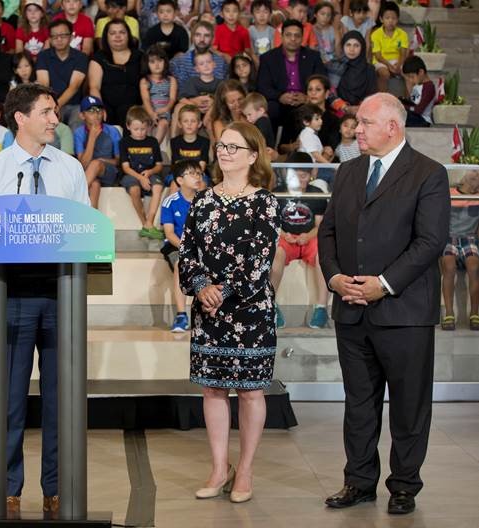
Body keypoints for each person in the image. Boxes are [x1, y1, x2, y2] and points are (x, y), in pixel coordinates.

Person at [318, 93, 451, 515]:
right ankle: (358, 481)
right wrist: (336, 277)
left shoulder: (429, 174)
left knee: (409, 404)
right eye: (358, 122)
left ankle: (405, 485)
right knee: (359, 402)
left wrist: (384, 284)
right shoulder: (348, 172)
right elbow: (328, 233)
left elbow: (430, 241)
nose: (357, 129)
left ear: (392, 127)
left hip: (404, 311)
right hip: (352, 310)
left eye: (365, 122)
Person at [0, 83, 89, 517]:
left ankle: (57, 487)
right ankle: (7, 488)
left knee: (62, 401)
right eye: (46, 112)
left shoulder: (70, 169)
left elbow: (85, 232)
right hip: (9, 294)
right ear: (20, 118)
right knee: (9, 400)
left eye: (55, 111)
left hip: (63, 296)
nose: (55, 119)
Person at [179, 121, 279, 505]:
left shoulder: (265, 202)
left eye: (233, 147)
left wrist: (224, 291)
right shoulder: (202, 200)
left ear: (253, 156)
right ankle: (220, 467)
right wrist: (202, 286)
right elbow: (187, 252)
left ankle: (247, 469)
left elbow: (260, 260)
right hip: (209, 310)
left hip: (251, 310)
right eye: (221, 146)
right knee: (213, 389)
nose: (224, 152)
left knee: (252, 392)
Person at [270, 152, 330, 328]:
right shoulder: (277, 193)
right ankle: (270, 305)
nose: (299, 179)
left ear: (311, 175)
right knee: (276, 254)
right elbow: (272, 224)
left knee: (323, 254)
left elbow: (320, 226)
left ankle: (321, 307)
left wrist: (308, 236)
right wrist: (284, 235)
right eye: (295, 175)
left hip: (308, 238)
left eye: (303, 175)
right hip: (286, 237)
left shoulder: (316, 193)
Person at [257, 19, 327, 146]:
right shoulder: (268, 58)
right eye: (288, 35)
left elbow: (322, 81)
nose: (293, 39)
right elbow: (262, 86)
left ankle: (306, 152)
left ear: (302, 38)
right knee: (270, 110)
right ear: (282, 36)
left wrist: (307, 97)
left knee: (310, 111)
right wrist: (280, 96)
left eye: (297, 35)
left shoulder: (313, 57)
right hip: (278, 102)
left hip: (304, 101)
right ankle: (270, 151)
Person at [161, 159, 203, 332]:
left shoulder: (206, 201)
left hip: (200, 246)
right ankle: (181, 316)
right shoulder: (170, 202)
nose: (197, 177)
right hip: (176, 245)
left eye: (199, 173)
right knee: (181, 264)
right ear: (179, 180)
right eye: (192, 173)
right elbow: (169, 234)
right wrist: (187, 249)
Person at [440, 170, 479, 331]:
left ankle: (475, 313)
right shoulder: (450, 194)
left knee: (474, 268)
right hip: (450, 238)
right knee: (449, 267)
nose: (476, 178)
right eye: (474, 176)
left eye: (477, 178)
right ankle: (449, 313)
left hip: (469, 239)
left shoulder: (477, 197)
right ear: (464, 179)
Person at [88, 18, 144, 127]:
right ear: (106, 37)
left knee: (129, 114)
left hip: (134, 108)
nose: (118, 36)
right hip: (107, 106)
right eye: (113, 33)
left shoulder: (140, 56)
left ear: (128, 35)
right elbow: (94, 87)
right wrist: (100, 109)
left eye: (122, 32)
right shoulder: (98, 57)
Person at [120, 106, 165, 239]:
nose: (140, 132)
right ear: (128, 126)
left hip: (149, 173)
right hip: (132, 175)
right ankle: (145, 224)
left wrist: (150, 173)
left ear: (149, 127)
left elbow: (159, 165)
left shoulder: (152, 142)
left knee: (158, 186)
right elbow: (125, 167)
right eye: (136, 129)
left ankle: (149, 222)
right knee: (134, 190)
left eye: (143, 129)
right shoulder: (125, 142)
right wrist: (141, 178)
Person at [35, 19, 89, 130]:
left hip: (75, 105)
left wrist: (56, 106)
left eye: (63, 35)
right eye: (55, 36)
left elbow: (74, 86)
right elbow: (44, 84)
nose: (59, 39)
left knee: (77, 126)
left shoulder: (81, 57)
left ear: (71, 37)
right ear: (49, 39)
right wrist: (50, 107)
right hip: (49, 103)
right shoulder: (43, 56)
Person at [75, 95, 122, 208]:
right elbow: (82, 164)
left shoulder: (112, 131)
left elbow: (119, 161)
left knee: (95, 164)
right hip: (89, 174)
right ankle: (94, 222)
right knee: (94, 185)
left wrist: (101, 160)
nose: (96, 114)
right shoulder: (79, 133)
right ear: (82, 115)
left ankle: (74, 197)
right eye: (91, 111)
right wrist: (92, 137)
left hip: (109, 172)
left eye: (99, 110)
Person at [170, 21, 228, 89]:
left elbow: (223, 90)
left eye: (206, 35)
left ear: (213, 39)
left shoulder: (221, 62)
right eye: (198, 35)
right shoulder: (180, 61)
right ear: (192, 37)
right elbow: (180, 91)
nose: (202, 39)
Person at [140, 44, 177, 145]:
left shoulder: (171, 80)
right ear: (147, 64)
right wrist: (152, 113)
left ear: (165, 62)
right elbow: (146, 100)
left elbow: (172, 99)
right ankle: (143, 146)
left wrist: (165, 109)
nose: (157, 65)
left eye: (160, 61)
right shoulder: (145, 81)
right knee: (144, 123)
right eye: (152, 62)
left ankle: (153, 147)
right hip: (149, 109)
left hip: (164, 109)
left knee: (163, 123)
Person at [332, 31, 376, 117]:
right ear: (343, 47)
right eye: (348, 45)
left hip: (363, 112)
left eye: (356, 45)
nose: (351, 49)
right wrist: (345, 107)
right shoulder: (335, 67)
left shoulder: (369, 69)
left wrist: (360, 108)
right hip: (339, 112)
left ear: (362, 48)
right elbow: (330, 94)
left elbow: (371, 94)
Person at [370, 2, 408, 93]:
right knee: (384, 74)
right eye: (387, 18)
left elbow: (403, 53)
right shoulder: (376, 34)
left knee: (408, 73)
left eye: (393, 18)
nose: (390, 21)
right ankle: (384, 98)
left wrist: (398, 65)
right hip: (381, 61)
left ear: (397, 19)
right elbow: (378, 56)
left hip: (397, 60)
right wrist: (389, 66)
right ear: (381, 19)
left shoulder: (402, 34)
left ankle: (408, 100)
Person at [240, 92, 277, 160]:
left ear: (261, 110)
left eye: (249, 114)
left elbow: (258, 138)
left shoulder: (262, 121)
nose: (248, 119)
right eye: (246, 116)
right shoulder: (264, 121)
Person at [401, 56, 436, 128]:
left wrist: (403, 106)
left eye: (412, 77)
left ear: (421, 72)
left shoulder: (429, 87)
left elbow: (419, 110)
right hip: (414, 116)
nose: (410, 80)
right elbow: (412, 103)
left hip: (423, 120)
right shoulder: (417, 85)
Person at [248, 0, 274, 66]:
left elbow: (273, 51)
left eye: (265, 12)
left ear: (270, 14)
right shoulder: (249, 31)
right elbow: (252, 53)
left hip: (269, 61)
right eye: (258, 12)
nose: (262, 15)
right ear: (252, 14)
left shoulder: (272, 31)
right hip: (254, 61)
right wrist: (258, 63)